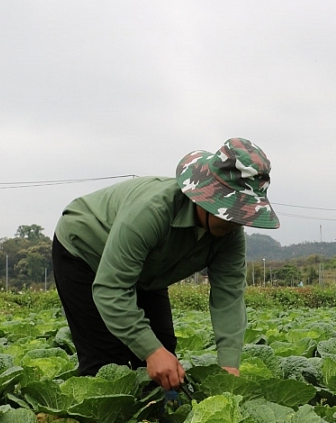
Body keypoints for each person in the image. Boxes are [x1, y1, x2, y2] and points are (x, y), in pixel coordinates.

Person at [51, 137, 279, 390]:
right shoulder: (152, 212)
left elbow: (229, 297)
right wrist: (151, 351)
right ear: (206, 198)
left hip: (149, 271)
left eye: (242, 214)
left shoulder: (230, 234)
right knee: (106, 363)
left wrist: (229, 365)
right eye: (231, 212)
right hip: (85, 250)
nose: (237, 222)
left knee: (164, 352)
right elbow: (110, 289)